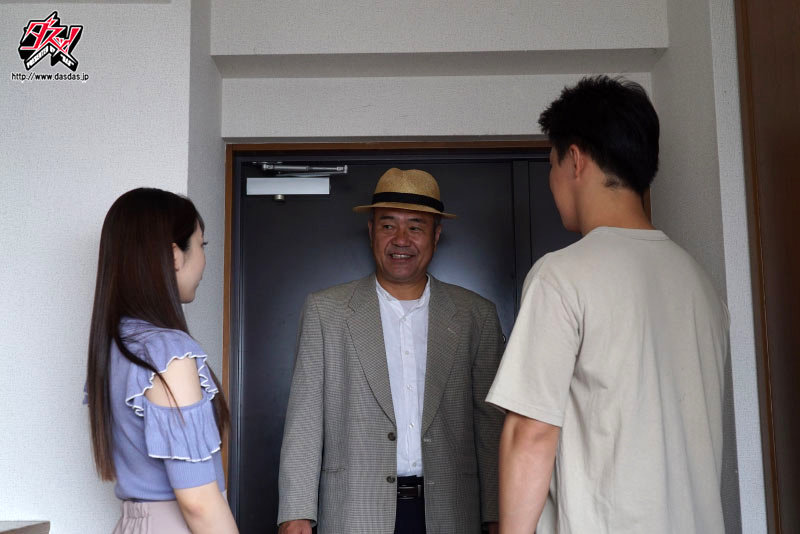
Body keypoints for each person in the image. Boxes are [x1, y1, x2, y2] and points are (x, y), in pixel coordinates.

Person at [486, 76, 728, 533]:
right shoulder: (702, 286)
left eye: (552, 165)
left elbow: (531, 433)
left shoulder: (561, 276)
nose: (551, 182)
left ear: (575, 160)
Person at [277, 168, 504, 534]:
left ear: (436, 235)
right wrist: (296, 512)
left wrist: (497, 514)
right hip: (354, 512)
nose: (401, 239)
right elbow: (305, 420)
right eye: (388, 225)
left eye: (415, 227)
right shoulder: (326, 311)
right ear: (371, 232)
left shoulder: (475, 315)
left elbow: (491, 428)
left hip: (451, 512)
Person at [85, 188, 239, 533]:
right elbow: (198, 502)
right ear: (174, 255)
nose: (204, 260)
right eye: (201, 245)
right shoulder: (167, 351)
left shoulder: (117, 345)